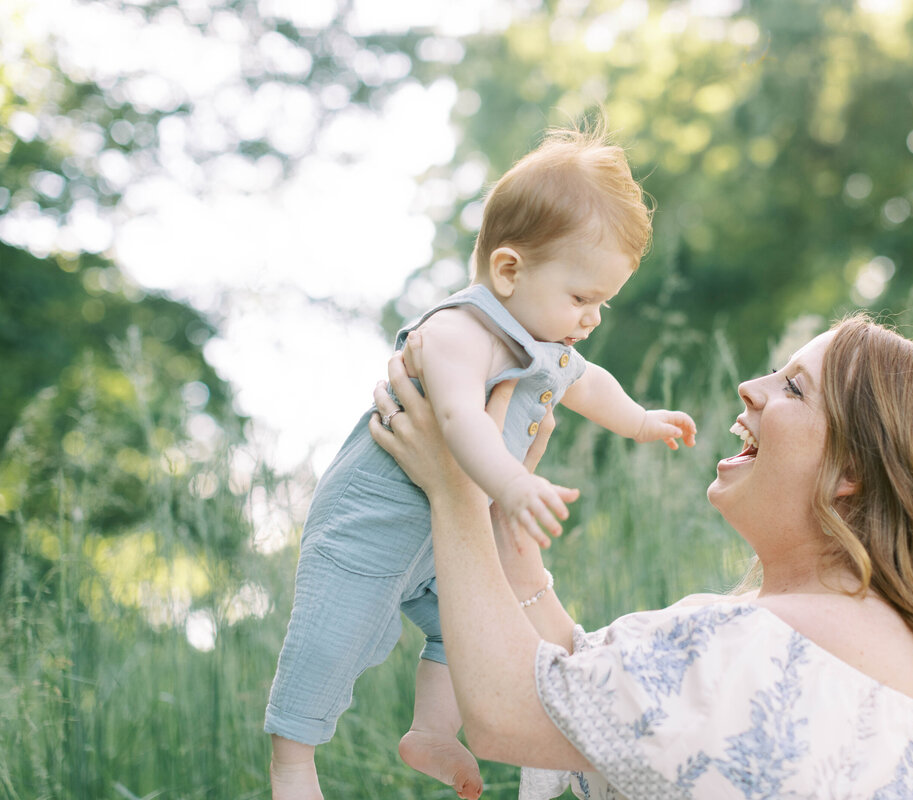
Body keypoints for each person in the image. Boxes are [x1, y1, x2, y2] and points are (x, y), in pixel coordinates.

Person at [368, 314, 913, 799]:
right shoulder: (861, 647)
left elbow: (509, 713)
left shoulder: (764, 645)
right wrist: (505, 531)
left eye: (793, 388)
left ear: (852, 471)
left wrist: (454, 485)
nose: (750, 388)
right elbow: (583, 697)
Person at [265, 126, 697, 800]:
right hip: (373, 522)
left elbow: (590, 383)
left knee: (463, 632)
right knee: (328, 641)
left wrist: (641, 421)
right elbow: (460, 419)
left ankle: (432, 732)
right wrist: (512, 482)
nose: (591, 320)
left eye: (603, 304)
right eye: (582, 298)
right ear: (508, 270)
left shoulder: (544, 340)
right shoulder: (459, 332)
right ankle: (293, 763)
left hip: (439, 540)